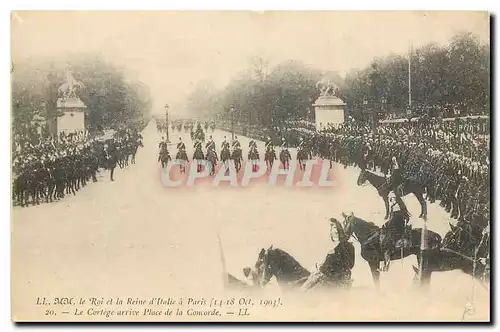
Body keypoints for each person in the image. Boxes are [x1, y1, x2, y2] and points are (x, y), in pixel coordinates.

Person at [301, 218, 355, 290]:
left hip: (335, 279)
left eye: (336, 229)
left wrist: (321, 268)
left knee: (312, 280)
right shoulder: (336, 247)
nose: (334, 231)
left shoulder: (342, 247)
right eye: (332, 229)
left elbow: (348, 264)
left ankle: (300, 292)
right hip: (338, 278)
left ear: (340, 231)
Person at [380, 191, 411, 272]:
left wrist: (387, 224)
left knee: (388, 240)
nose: (391, 200)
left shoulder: (397, 206)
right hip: (395, 224)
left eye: (392, 198)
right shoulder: (394, 205)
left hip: (397, 226)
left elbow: (395, 219)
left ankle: (388, 258)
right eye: (390, 199)